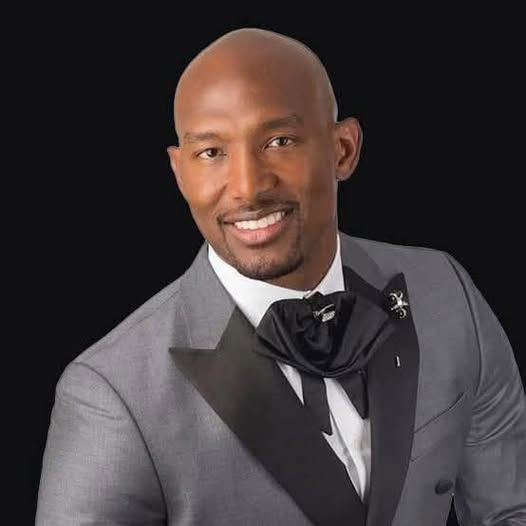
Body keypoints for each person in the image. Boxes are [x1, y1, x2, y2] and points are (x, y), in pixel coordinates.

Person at [35, 28, 526, 526]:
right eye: (212, 153)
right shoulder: (111, 395)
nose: (249, 188)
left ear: (343, 149)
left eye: (279, 141)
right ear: (180, 173)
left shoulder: (445, 291)